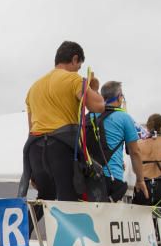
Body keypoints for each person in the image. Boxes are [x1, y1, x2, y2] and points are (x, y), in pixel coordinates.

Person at [23, 41, 105, 202]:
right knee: (68, 201)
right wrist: (92, 87)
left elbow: (31, 127)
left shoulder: (33, 87)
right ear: (75, 59)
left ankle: (26, 228)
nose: (77, 70)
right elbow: (99, 106)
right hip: (60, 149)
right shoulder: (74, 79)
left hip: (35, 150)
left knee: (44, 198)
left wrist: (32, 169)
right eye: (79, 66)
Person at [87, 81, 147, 202]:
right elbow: (135, 152)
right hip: (112, 179)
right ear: (119, 97)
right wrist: (140, 180)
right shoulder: (124, 118)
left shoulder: (90, 116)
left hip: (89, 177)